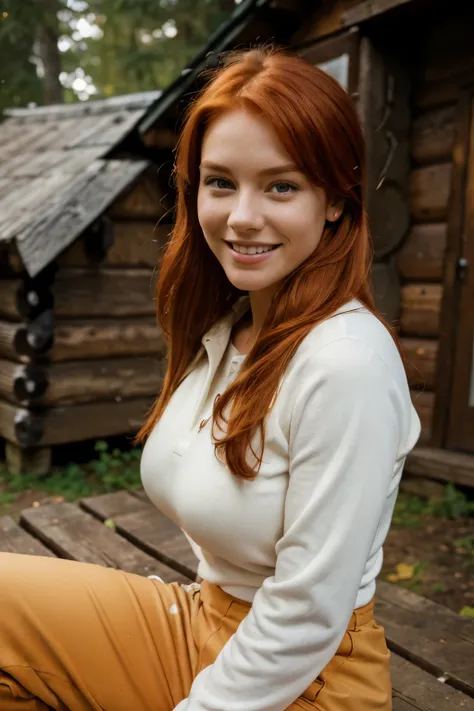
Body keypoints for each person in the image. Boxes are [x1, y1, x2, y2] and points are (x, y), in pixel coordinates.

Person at [0, 47, 420, 711]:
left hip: (308, 679)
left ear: (336, 200)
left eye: (280, 186)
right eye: (220, 182)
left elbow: (308, 614)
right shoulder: (229, 327)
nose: (242, 216)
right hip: (205, 624)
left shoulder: (346, 363)